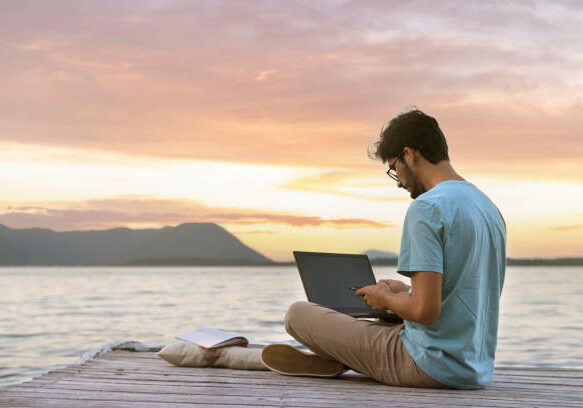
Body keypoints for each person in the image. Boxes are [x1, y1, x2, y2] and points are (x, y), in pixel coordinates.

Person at [261, 108, 506, 389]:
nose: (399, 181)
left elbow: (425, 312)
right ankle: (340, 357)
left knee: (298, 315)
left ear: (409, 155)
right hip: (474, 368)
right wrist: (405, 293)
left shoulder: (427, 208)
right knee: (379, 323)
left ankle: (338, 358)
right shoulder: (487, 207)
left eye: (394, 169)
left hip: (427, 364)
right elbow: (463, 294)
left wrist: (384, 299)